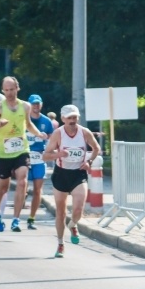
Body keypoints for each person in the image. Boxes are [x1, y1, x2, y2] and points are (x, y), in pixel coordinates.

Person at [0, 76, 49, 232]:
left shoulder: (25, 106)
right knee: (3, 187)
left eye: (12, 89)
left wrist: (38, 134)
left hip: (21, 149)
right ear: (3, 90)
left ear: (18, 88)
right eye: (6, 90)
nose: (9, 93)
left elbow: (28, 124)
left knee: (22, 181)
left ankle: (16, 220)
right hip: (3, 153)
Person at [41, 105, 100, 257]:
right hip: (61, 174)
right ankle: (60, 244)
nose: (72, 121)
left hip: (78, 174)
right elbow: (45, 156)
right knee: (60, 212)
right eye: (69, 118)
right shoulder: (58, 134)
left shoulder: (84, 132)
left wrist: (89, 162)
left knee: (78, 208)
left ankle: (73, 224)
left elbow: (96, 148)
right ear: (63, 119)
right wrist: (59, 154)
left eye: (75, 117)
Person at [24, 94, 55, 229]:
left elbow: (52, 139)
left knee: (38, 190)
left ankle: (31, 218)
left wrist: (49, 149)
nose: (36, 106)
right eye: (33, 104)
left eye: (38, 103)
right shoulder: (23, 119)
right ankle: (16, 217)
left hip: (39, 158)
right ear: (29, 105)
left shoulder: (46, 121)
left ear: (41, 104)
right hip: (24, 157)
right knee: (22, 187)